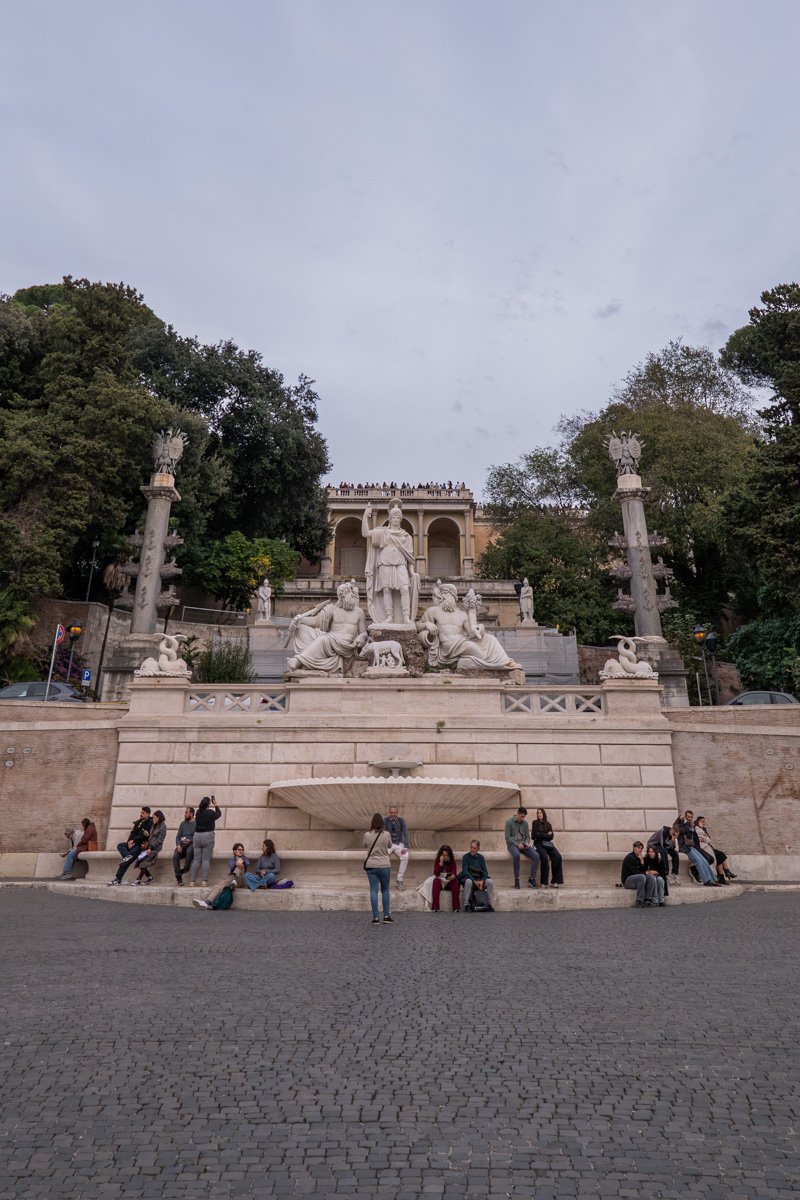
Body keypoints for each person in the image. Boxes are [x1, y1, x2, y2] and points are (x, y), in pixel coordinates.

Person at [417, 583, 521, 671]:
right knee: (470, 646)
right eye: (443, 594)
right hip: (448, 647)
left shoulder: (462, 614)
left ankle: (506, 661)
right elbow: (416, 626)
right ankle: (500, 664)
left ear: (454, 596)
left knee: (491, 639)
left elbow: (471, 633)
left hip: (462, 641)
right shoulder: (433, 611)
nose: (445, 597)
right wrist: (426, 624)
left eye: (448, 594)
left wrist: (480, 628)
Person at [287, 581, 368, 673]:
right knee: (301, 628)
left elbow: (364, 632)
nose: (345, 597)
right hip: (331, 637)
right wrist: (300, 620)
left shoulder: (359, 612)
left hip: (346, 643)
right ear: (339, 597)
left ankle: (298, 660)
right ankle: (307, 659)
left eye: (347, 593)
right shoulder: (332, 609)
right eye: (342, 595)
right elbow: (316, 621)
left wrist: (362, 636)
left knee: (323, 639)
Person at [361, 500, 420, 625]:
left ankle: (406, 617)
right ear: (389, 518)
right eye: (393, 517)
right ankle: (389, 617)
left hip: (400, 563)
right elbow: (365, 533)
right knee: (386, 590)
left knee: (404, 589)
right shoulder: (383, 533)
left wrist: (412, 571)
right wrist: (365, 516)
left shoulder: (406, 536)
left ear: (401, 519)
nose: (396, 519)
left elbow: (409, 557)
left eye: (398, 517)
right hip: (384, 562)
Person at [193, 843, 249, 908]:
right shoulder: (232, 860)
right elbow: (231, 866)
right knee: (218, 886)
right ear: (234, 851)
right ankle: (207, 902)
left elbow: (247, 863)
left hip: (241, 880)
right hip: (231, 879)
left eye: (242, 850)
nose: (241, 851)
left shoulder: (245, 858)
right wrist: (236, 862)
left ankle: (234, 882)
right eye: (239, 849)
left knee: (240, 866)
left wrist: (241, 862)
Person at [109, 806, 152, 885]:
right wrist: (129, 842)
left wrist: (134, 841)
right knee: (120, 846)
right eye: (141, 812)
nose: (141, 814)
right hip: (132, 844)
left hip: (139, 845)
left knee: (126, 861)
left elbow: (144, 835)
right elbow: (132, 833)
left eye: (143, 813)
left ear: (148, 814)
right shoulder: (138, 822)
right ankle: (127, 856)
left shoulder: (150, 822)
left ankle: (118, 879)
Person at [363, 813, 393, 924]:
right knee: (385, 890)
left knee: (373, 891)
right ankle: (386, 916)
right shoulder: (387, 834)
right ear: (382, 823)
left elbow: (364, 845)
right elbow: (390, 845)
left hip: (371, 865)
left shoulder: (367, 834)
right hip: (384, 865)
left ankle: (375, 918)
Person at [676, 810, 719, 886]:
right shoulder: (681, 825)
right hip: (685, 848)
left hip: (691, 846)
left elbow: (692, 836)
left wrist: (692, 827)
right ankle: (706, 881)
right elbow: (678, 828)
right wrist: (680, 819)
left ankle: (713, 879)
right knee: (699, 861)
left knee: (704, 860)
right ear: (685, 817)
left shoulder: (690, 825)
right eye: (688, 817)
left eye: (691, 817)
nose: (689, 818)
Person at [503, 806, 541, 889]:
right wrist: (517, 844)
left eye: (524, 817)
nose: (522, 818)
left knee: (536, 856)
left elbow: (527, 836)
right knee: (516, 855)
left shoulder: (525, 823)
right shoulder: (509, 822)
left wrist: (527, 843)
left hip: (523, 844)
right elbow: (507, 837)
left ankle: (531, 879)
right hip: (512, 845)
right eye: (521, 816)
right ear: (517, 814)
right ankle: (516, 879)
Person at [189, 796, 222, 887]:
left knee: (196, 859)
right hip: (208, 835)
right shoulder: (210, 813)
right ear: (209, 804)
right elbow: (219, 814)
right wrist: (216, 805)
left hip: (197, 836)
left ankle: (192, 881)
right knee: (206, 860)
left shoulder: (198, 812)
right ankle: (204, 881)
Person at [695, 816, 737, 882]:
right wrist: (705, 838)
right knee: (720, 855)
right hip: (704, 849)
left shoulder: (704, 829)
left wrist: (705, 837)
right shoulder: (696, 829)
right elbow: (700, 839)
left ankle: (723, 876)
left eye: (704, 821)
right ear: (698, 822)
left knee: (719, 857)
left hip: (708, 847)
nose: (704, 823)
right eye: (702, 821)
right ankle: (726, 872)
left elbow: (709, 839)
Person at [458, 839, 496, 910]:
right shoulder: (465, 857)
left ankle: (489, 904)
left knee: (490, 882)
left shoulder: (481, 858)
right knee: (468, 881)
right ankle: (466, 904)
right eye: (471, 847)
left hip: (480, 880)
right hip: (470, 879)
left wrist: (482, 881)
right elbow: (465, 871)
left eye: (474, 848)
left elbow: (485, 872)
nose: (472, 850)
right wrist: (474, 881)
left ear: (478, 849)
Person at [531, 808, 563, 887]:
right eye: (538, 813)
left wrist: (541, 834)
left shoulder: (548, 824)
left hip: (547, 844)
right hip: (538, 844)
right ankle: (544, 882)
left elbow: (551, 837)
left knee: (557, 857)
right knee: (544, 857)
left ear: (543, 814)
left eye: (541, 813)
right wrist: (546, 834)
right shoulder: (535, 823)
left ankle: (555, 881)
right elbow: (534, 835)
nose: (539, 814)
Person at [133, 810, 167, 884]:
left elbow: (159, 840)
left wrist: (151, 848)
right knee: (140, 860)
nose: (153, 819)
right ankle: (149, 877)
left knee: (144, 862)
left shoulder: (163, 827)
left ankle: (138, 879)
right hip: (149, 846)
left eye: (154, 817)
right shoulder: (154, 825)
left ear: (158, 817)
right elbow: (152, 836)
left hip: (155, 848)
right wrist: (148, 835)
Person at [621, 841, 659, 906]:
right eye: (638, 848)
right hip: (627, 881)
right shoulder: (629, 857)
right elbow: (634, 872)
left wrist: (642, 861)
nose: (640, 850)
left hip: (637, 879)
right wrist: (645, 873)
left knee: (651, 877)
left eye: (641, 848)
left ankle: (648, 899)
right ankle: (639, 900)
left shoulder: (639, 857)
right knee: (642, 877)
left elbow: (642, 870)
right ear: (634, 848)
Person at [384, 805, 410, 889]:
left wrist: (405, 846)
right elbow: (382, 833)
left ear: (397, 813)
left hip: (399, 844)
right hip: (388, 845)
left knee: (405, 856)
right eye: (391, 812)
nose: (393, 814)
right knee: (381, 857)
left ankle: (399, 879)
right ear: (389, 813)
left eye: (394, 812)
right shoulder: (385, 820)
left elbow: (405, 832)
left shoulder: (401, 820)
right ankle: (384, 880)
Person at [431, 845, 460, 913]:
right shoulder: (438, 861)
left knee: (455, 883)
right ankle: (435, 907)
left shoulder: (452, 861)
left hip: (449, 882)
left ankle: (456, 908)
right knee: (435, 881)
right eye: (443, 855)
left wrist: (453, 876)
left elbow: (454, 873)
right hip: (441, 881)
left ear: (449, 855)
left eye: (446, 855)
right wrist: (440, 863)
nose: (445, 857)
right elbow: (436, 873)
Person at [172, 806, 196, 884]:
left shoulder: (196, 823)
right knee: (175, 856)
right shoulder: (183, 824)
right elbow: (178, 837)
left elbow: (197, 837)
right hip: (182, 844)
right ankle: (178, 877)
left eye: (186, 813)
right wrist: (178, 845)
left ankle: (186, 869)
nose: (184, 814)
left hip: (191, 843)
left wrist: (190, 840)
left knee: (189, 851)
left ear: (191, 814)